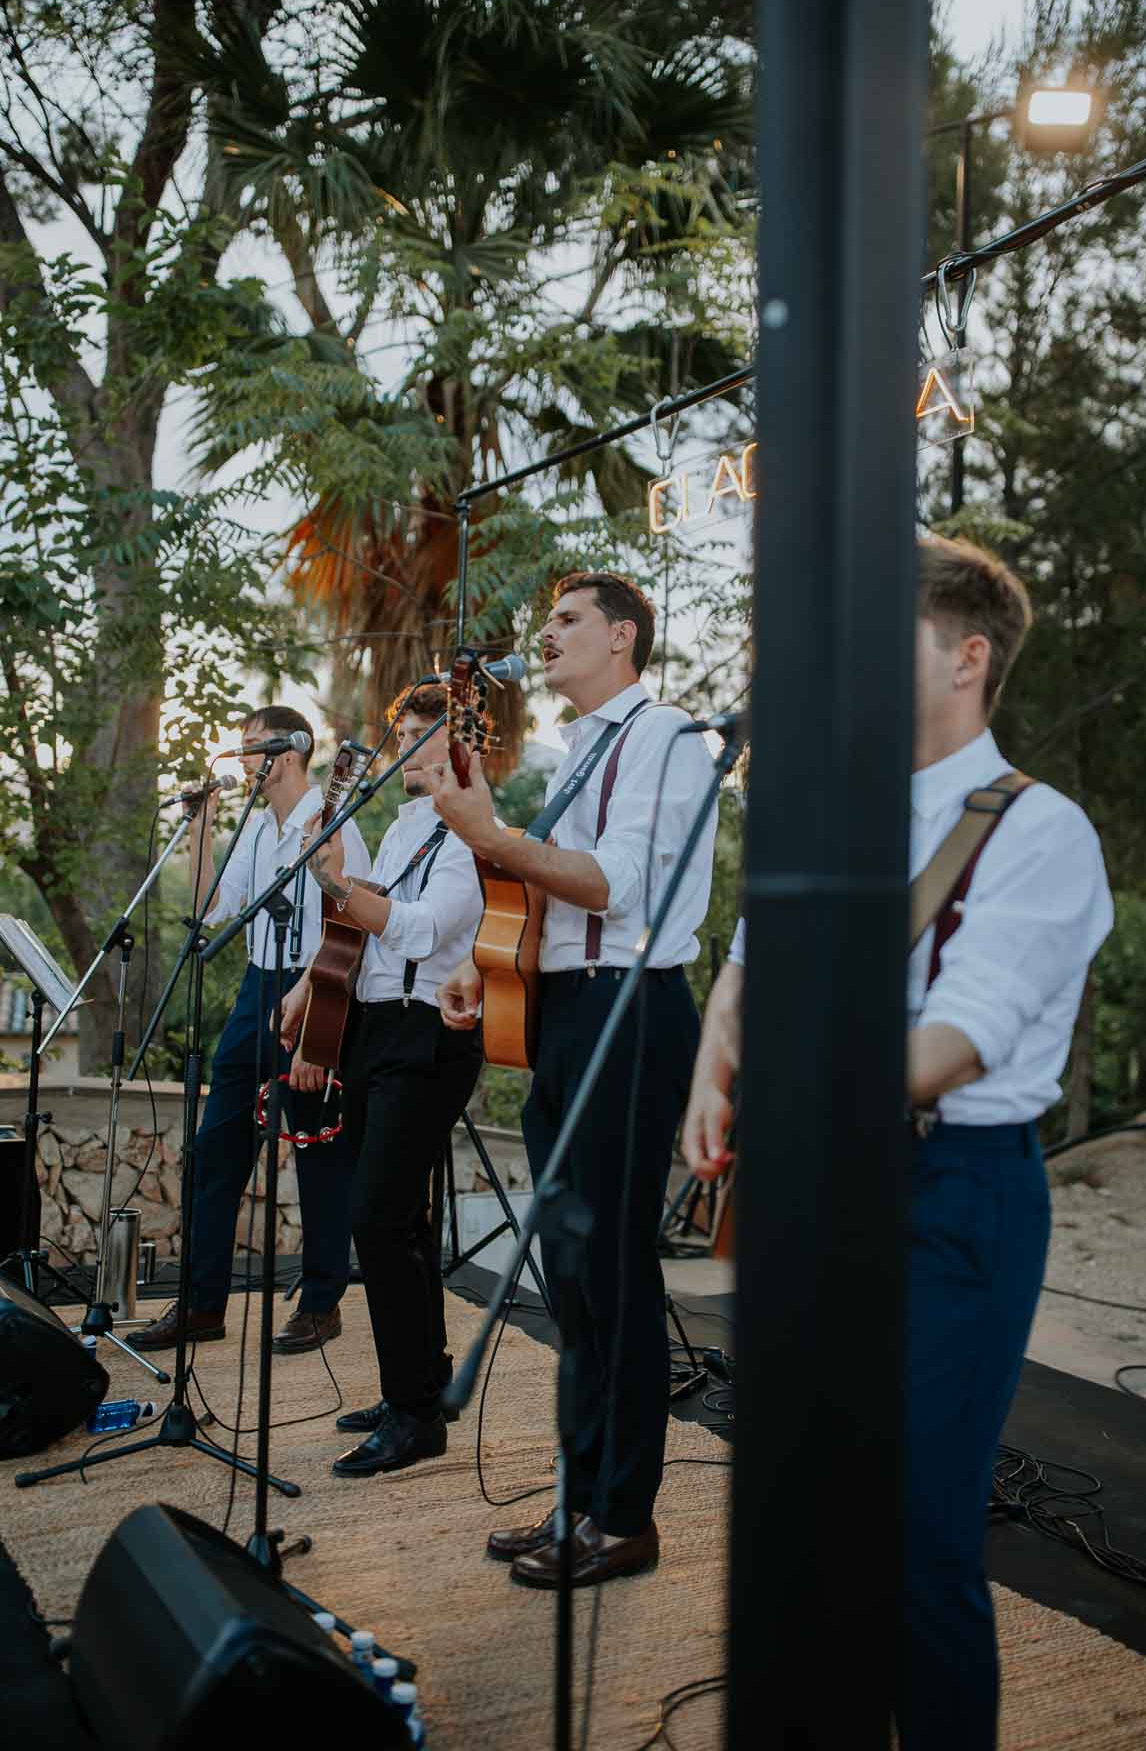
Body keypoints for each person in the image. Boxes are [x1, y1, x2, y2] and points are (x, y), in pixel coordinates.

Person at [683, 537, 1113, 1749]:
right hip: (813, 1186)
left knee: (918, 1538)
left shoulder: (1041, 830)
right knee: (809, 1520)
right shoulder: (837, 807)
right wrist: (715, 1067)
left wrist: (782, 1082)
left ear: (968, 657)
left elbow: (948, 1046)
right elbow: (747, 965)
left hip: (951, 1194)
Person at [427, 571, 718, 1589]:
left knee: (614, 1273)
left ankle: (626, 1517)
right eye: (543, 619)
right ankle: (581, 1494)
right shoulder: (581, 748)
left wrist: (492, 836)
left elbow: (616, 883)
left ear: (623, 637)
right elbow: (549, 893)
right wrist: (487, 959)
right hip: (565, 1008)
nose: (542, 634)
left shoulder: (665, 737)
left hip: (629, 1011)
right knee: (568, 1273)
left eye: (565, 620)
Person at [283, 683, 484, 1476]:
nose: (399, 745)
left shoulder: (469, 828)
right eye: (396, 731)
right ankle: (419, 1386)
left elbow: (423, 928)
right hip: (373, 1026)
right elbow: (363, 925)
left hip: (427, 1031)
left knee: (376, 1214)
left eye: (414, 734)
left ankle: (412, 1416)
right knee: (401, 1225)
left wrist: (336, 885)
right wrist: (310, 983)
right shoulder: (402, 825)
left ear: (452, 742)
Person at [130, 707, 371, 1356]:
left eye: (250, 749)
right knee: (215, 1151)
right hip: (255, 987)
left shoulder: (332, 817)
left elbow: (349, 927)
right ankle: (203, 1304)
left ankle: (321, 1303)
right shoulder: (258, 827)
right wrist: (203, 828)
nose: (240, 762)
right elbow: (213, 909)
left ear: (286, 754)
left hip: (314, 984)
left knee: (318, 1155)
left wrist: (318, 1015)